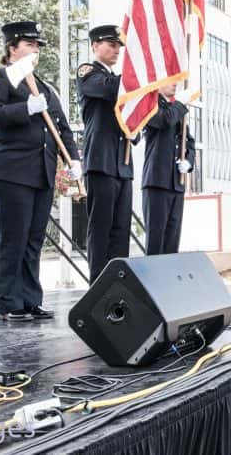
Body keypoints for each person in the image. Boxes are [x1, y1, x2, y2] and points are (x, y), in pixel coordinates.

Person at [0, 20, 81, 321]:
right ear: (12, 48)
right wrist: (25, 109)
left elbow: (61, 128)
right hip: (11, 169)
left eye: (37, 46)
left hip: (41, 170)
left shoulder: (44, 86)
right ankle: (9, 302)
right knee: (14, 236)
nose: (35, 50)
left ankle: (30, 299)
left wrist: (73, 160)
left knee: (34, 237)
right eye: (29, 44)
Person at [76, 24, 138, 283]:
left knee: (121, 229)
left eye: (118, 46)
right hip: (101, 160)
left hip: (122, 162)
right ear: (95, 46)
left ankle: (116, 283)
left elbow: (131, 112)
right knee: (100, 228)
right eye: (111, 45)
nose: (116, 50)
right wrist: (136, 77)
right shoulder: (88, 72)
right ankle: (98, 284)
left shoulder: (118, 80)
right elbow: (107, 90)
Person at [141, 84, 195, 255]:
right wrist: (180, 104)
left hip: (176, 182)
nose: (174, 84)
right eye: (170, 80)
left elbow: (189, 141)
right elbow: (164, 120)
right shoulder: (150, 104)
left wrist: (188, 160)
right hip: (157, 181)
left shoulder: (175, 108)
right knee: (156, 241)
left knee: (172, 241)